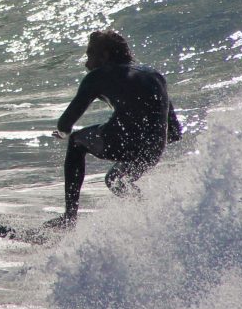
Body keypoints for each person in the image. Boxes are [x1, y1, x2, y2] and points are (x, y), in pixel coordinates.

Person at [47, 29, 182, 228]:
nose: (86, 63)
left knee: (76, 142)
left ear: (105, 56)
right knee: (116, 180)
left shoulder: (98, 76)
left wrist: (62, 133)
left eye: (89, 55)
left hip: (124, 140)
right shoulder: (155, 76)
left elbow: (65, 123)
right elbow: (175, 132)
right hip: (154, 149)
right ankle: (151, 220)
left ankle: (69, 219)